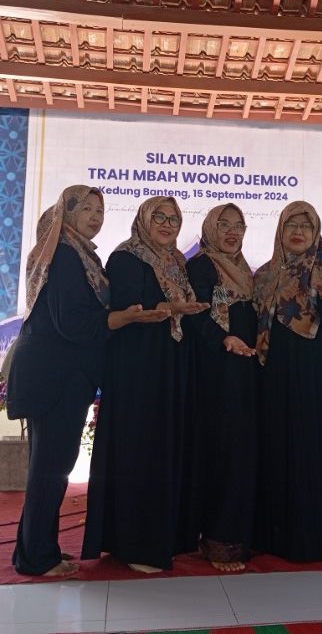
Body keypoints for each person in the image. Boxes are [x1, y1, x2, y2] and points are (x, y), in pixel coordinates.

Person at [7, 186, 158, 577]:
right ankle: (36, 558)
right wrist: (126, 318)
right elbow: (73, 323)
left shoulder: (80, 254)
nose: (95, 216)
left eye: (100, 210)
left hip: (61, 375)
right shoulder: (63, 254)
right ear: (66, 212)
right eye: (86, 208)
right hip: (54, 377)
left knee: (51, 466)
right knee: (50, 468)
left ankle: (37, 550)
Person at [82, 196, 208, 573]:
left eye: (174, 219)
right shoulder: (126, 258)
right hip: (138, 369)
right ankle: (136, 544)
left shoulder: (177, 261)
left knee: (165, 448)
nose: (167, 225)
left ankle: (168, 537)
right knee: (141, 449)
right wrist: (169, 308)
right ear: (143, 220)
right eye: (159, 217)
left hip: (170, 365)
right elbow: (128, 308)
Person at [254, 200, 322, 564]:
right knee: (279, 446)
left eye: (306, 226)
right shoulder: (266, 274)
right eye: (291, 225)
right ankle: (280, 538)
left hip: (316, 370)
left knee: (317, 448)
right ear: (280, 231)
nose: (298, 232)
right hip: (275, 372)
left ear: (316, 231)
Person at [186, 204, 257, 572]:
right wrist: (224, 338)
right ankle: (219, 541)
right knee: (224, 453)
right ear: (210, 228)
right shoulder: (202, 266)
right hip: (218, 372)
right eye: (224, 224)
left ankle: (239, 535)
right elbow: (196, 314)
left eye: (238, 225)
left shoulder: (245, 270)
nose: (232, 231)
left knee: (242, 453)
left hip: (244, 371)